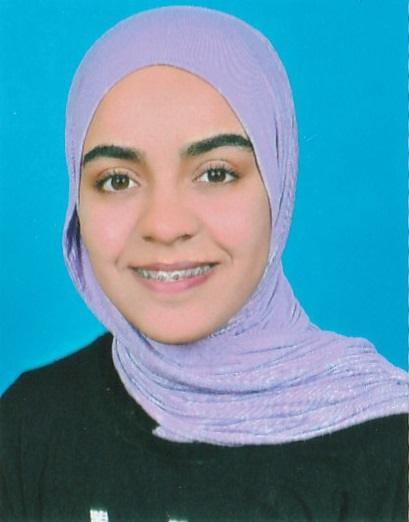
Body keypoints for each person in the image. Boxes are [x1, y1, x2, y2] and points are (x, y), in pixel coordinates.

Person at [1, 6, 407, 522]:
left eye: (215, 173)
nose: (165, 225)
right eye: (118, 180)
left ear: (278, 182)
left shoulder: (390, 447)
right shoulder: (29, 426)